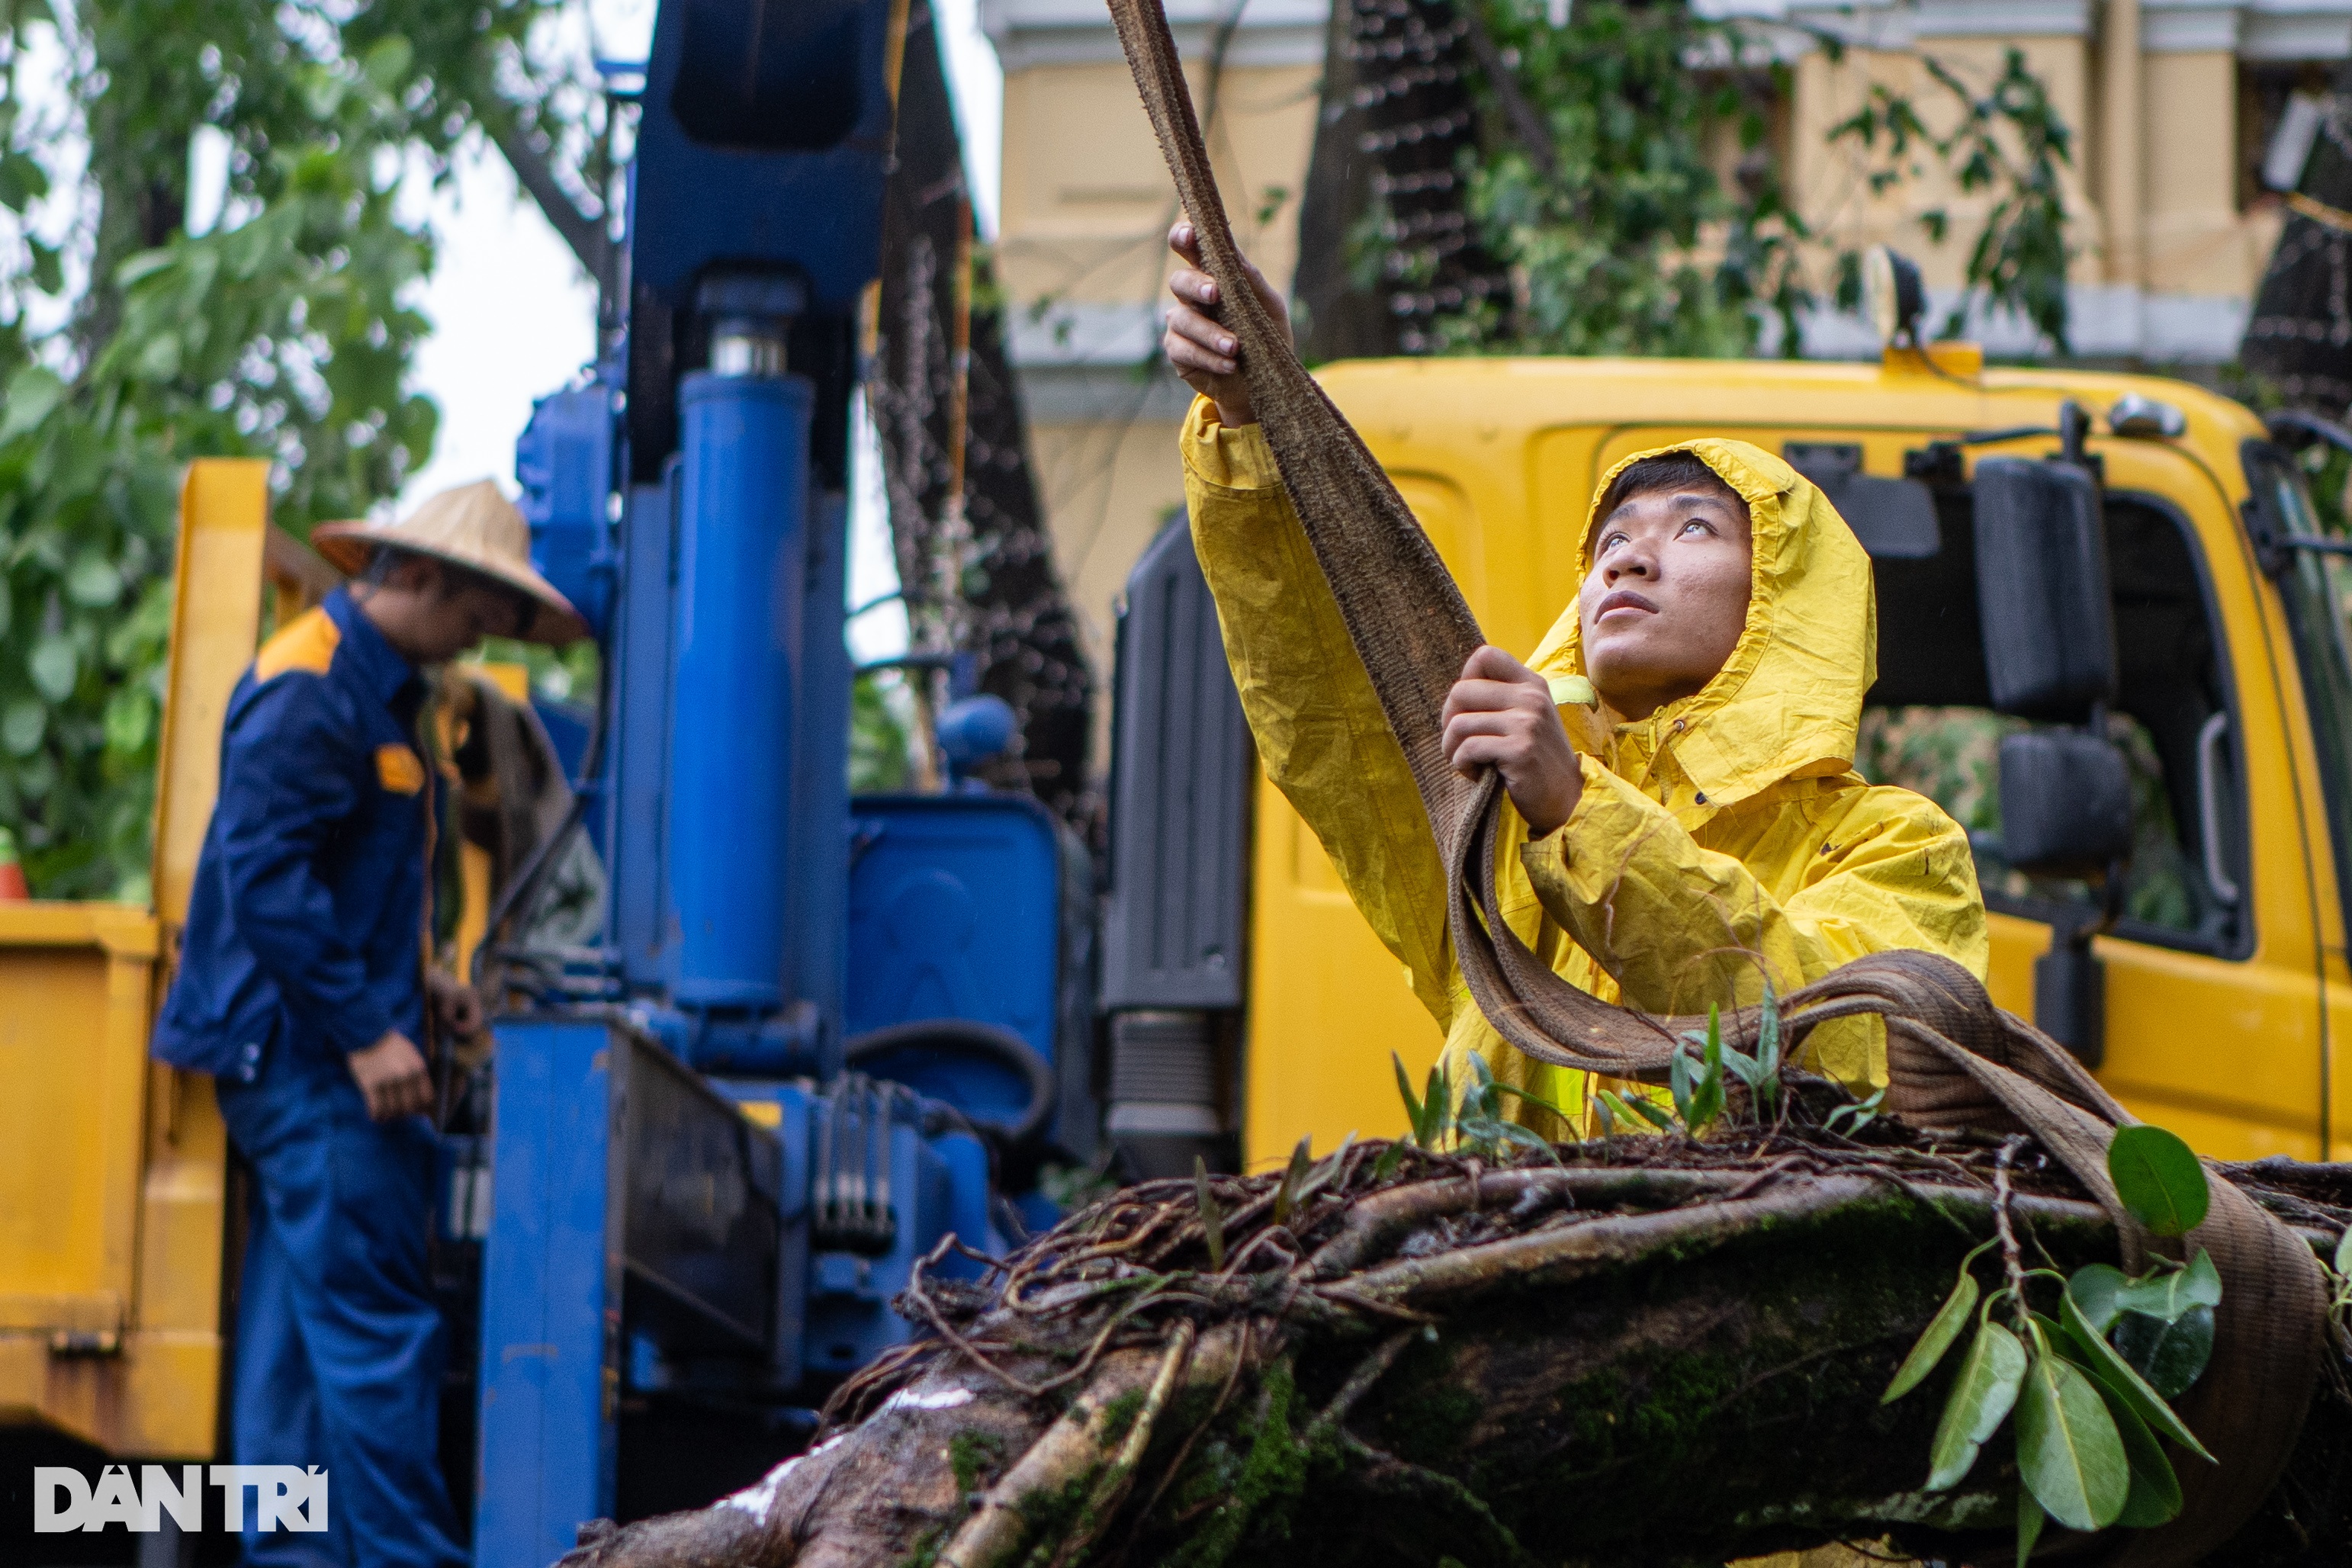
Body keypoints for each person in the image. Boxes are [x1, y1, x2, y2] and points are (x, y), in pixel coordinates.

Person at [1159, 223, 1987, 1132]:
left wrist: (1578, 814)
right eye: (1613, 540)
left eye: (1695, 528)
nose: (1629, 561)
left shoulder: (1897, 846)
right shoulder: (1491, 827)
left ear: (1783, 596)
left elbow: (1839, 1044)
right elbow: (1333, 707)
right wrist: (1256, 416)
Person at [152, 480, 585, 1568]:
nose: (477, 640)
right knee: (381, 1343)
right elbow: (266, 879)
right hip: (313, 1071)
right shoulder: (311, 685)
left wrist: (421, 985)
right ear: (423, 577)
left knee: (296, 1360)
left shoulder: (383, 695)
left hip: (323, 1055)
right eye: (474, 614)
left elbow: (338, 882)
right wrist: (363, 1030)